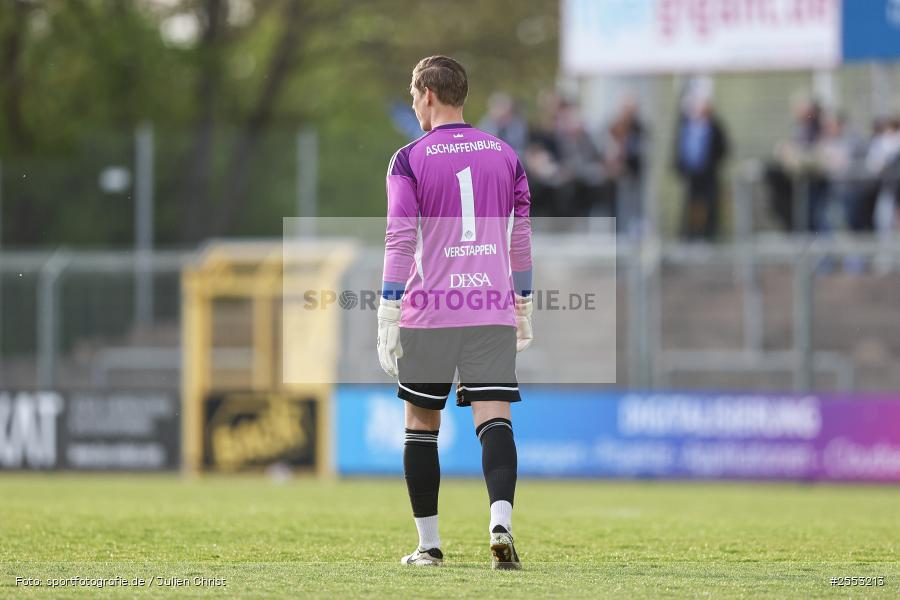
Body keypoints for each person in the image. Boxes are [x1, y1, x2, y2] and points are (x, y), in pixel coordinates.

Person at [376, 56, 533, 569]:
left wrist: (388, 308)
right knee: (495, 419)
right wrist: (524, 303)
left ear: (427, 94)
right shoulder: (506, 154)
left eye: (414, 95)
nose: (414, 104)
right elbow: (521, 237)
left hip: (432, 309)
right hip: (490, 306)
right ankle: (501, 523)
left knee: (422, 424)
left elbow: (399, 238)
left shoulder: (408, 158)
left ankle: (429, 546)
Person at [673, 91, 729, 241]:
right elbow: (680, 149)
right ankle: (690, 235)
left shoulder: (715, 127)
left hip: (709, 173)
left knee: (710, 204)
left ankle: (709, 235)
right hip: (692, 174)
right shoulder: (686, 126)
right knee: (692, 205)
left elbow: (723, 148)